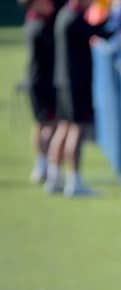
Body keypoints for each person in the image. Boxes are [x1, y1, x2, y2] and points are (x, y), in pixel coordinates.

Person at [46, 0, 112, 195]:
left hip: (65, 81)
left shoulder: (65, 14)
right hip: (75, 83)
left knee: (65, 127)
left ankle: (54, 176)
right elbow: (101, 32)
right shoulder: (73, 18)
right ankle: (73, 181)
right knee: (76, 129)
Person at [21, 0, 57, 185]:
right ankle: (48, 167)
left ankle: (42, 165)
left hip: (36, 82)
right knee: (50, 125)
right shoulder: (39, 26)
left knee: (42, 124)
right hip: (42, 84)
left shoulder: (34, 21)